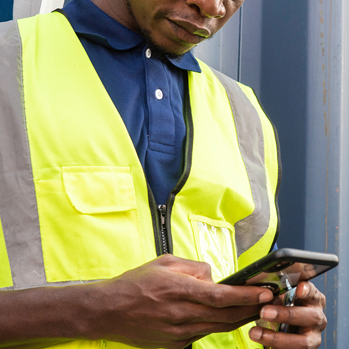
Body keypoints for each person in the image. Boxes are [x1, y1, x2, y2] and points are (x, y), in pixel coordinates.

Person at [0, 0, 326, 348]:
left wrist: (285, 315)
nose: (214, 7)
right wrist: (95, 312)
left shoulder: (245, 112)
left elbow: (253, 278)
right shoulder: (7, 63)